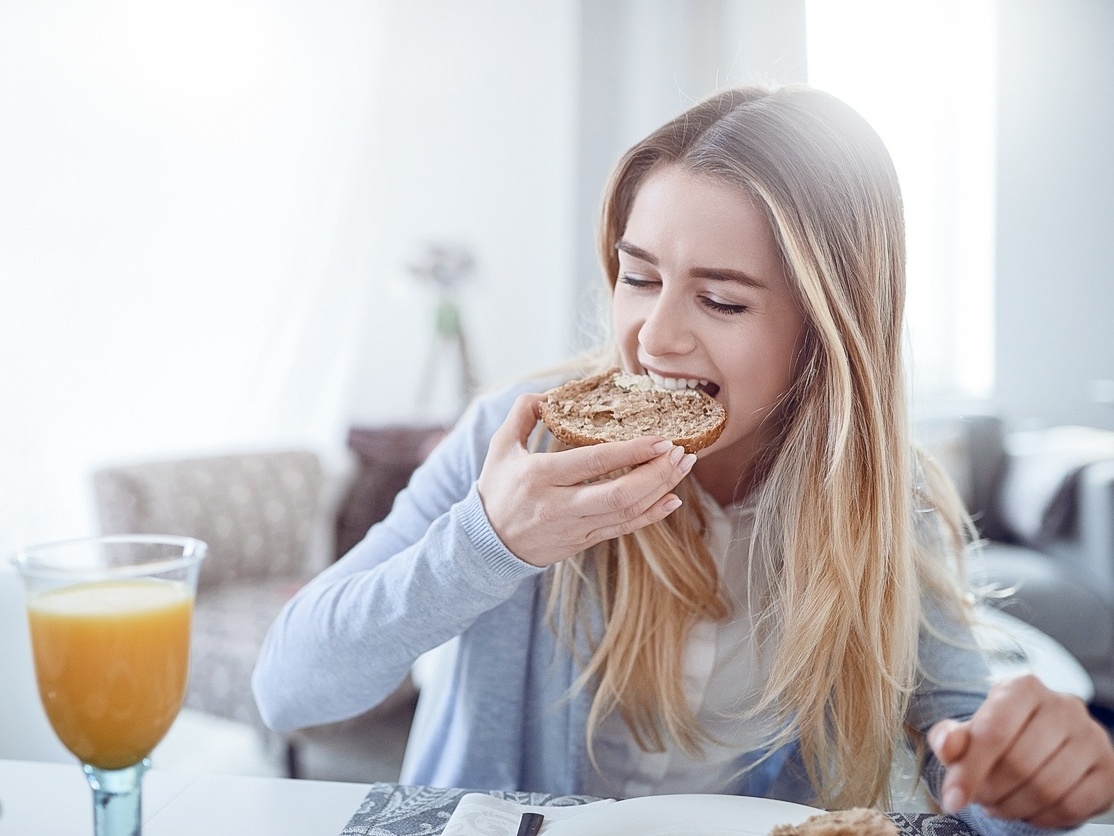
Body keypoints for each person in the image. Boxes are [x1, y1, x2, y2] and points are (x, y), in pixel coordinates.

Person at [252, 85, 1114, 833]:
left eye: (720, 299)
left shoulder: (883, 502)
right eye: (638, 277)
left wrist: (1033, 775)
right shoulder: (518, 445)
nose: (655, 338)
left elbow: (972, 761)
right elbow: (288, 691)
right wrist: (488, 542)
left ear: (824, 332)